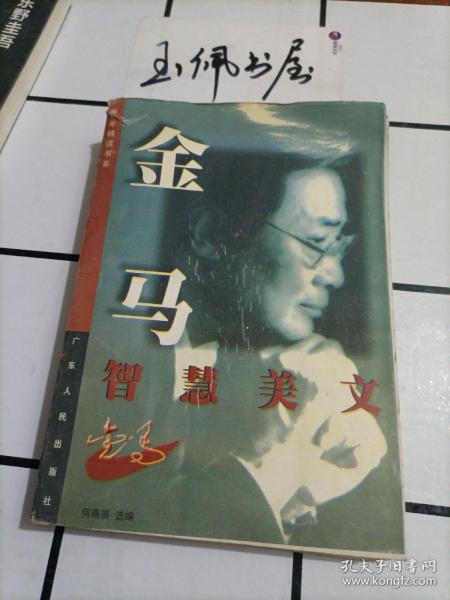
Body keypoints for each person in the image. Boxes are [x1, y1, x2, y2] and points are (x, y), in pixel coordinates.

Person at [157, 149, 387, 546]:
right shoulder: (125, 356)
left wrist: (310, 481)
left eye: (339, 245)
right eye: (316, 242)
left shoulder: (277, 364)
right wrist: (274, 462)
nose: (335, 275)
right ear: (210, 233)